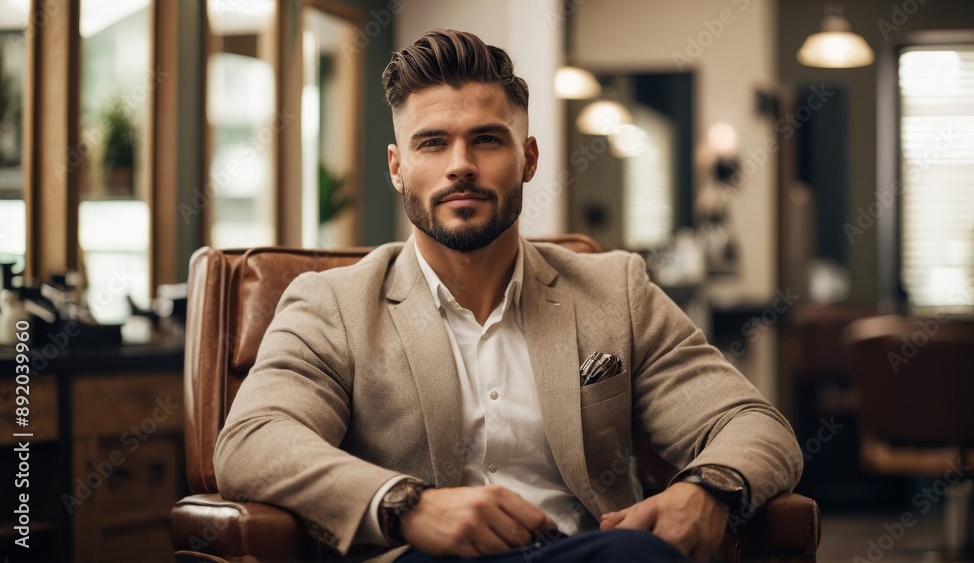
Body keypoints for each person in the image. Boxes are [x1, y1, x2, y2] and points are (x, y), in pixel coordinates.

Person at [215, 29, 802, 562]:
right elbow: (252, 441)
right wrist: (408, 505)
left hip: (591, 552)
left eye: (487, 140)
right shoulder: (331, 306)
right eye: (432, 143)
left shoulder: (615, 290)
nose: (461, 166)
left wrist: (708, 490)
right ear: (397, 168)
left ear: (529, 159)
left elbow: (752, 422)